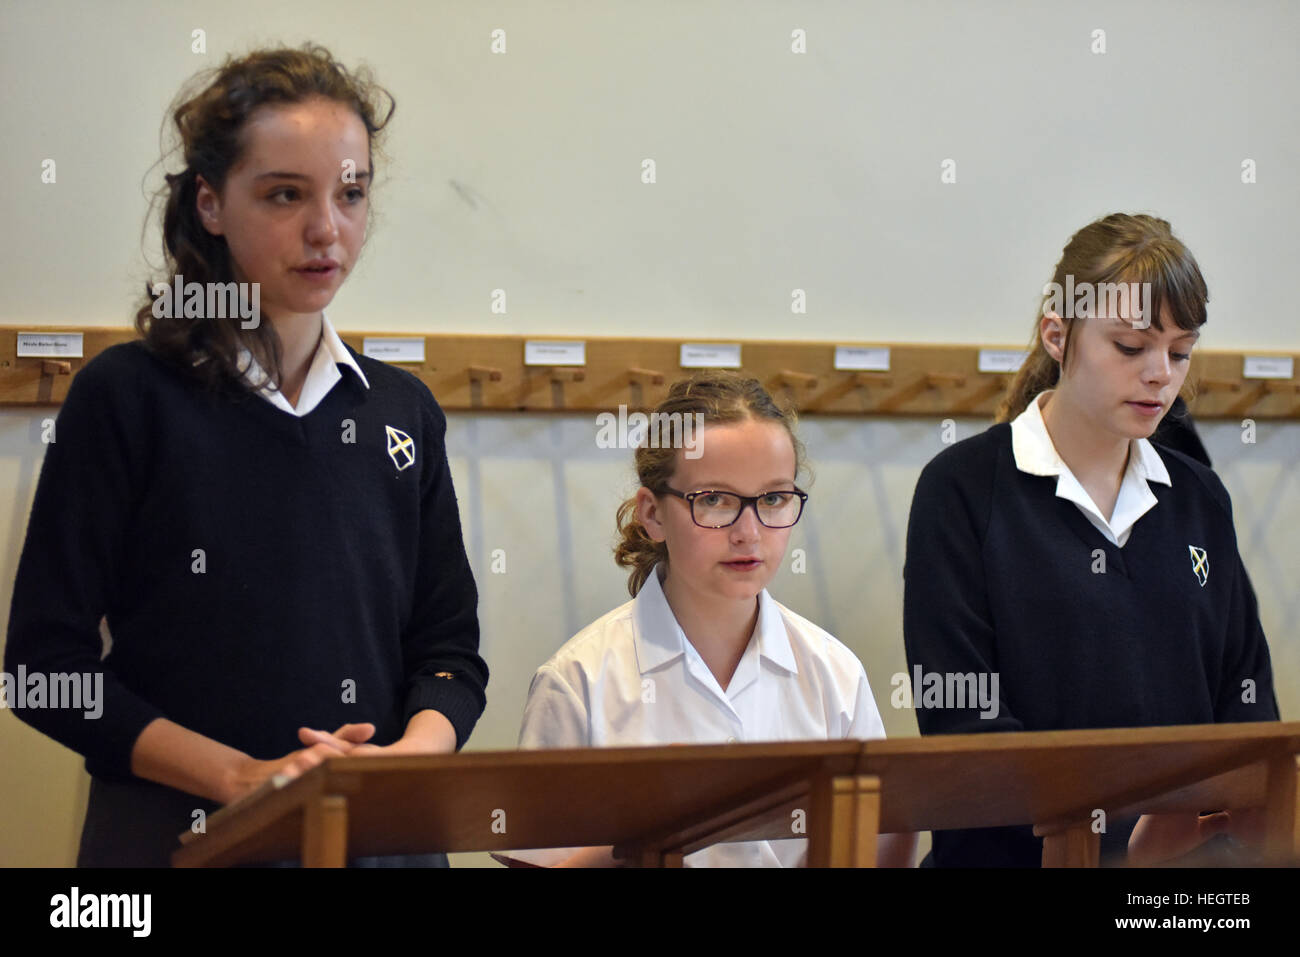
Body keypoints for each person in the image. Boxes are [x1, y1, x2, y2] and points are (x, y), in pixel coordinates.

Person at [3, 44, 487, 866]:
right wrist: (243, 777)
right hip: (174, 842)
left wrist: (406, 765)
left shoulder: (404, 411)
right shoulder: (126, 397)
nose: (325, 228)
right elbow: (44, 670)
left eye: (351, 193)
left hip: (377, 839)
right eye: (285, 194)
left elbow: (449, 653)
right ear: (212, 203)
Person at [902, 212, 1278, 867]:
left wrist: (1200, 831)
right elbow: (963, 728)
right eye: (1131, 347)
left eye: (1181, 351)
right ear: (1058, 334)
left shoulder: (1198, 498)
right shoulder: (960, 491)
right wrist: (1113, 851)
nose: (1161, 374)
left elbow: (1247, 711)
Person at [502, 372, 915, 867]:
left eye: (773, 499)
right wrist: (656, 823)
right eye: (714, 500)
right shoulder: (578, 680)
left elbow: (879, 840)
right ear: (653, 514)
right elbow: (534, 861)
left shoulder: (835, 673)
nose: (749, 533)